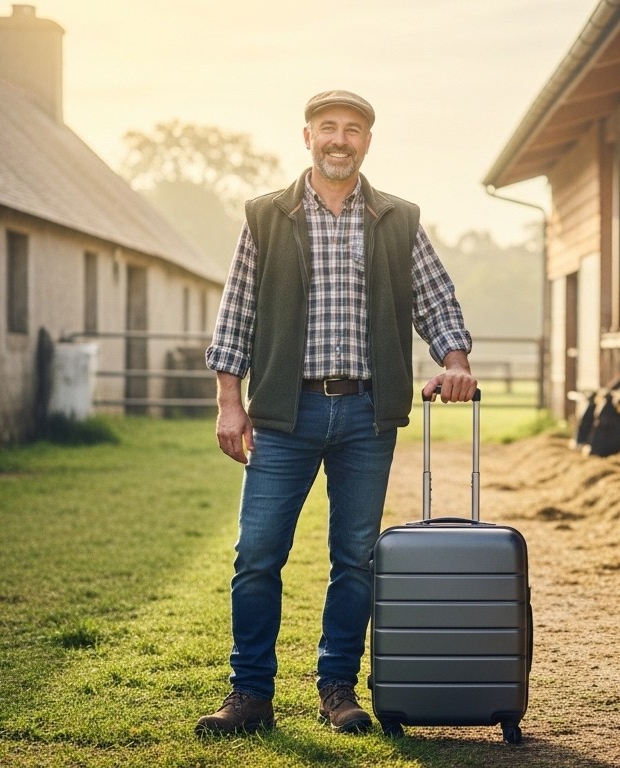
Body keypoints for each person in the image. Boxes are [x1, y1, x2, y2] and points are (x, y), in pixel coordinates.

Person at [197, 89, 476, 736]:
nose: (340, 140)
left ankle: (337, 689)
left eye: (353, 130)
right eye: (328, 127)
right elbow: (236, 313)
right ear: (308, 137)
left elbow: (436, 300)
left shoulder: (398, 218)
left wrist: (456, 360)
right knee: (257, 554)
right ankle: (250, 694)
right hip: (282, 414)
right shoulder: (265, 216)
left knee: (355, 559)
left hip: (365, 416)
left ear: (367, 142)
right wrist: (229, 404)